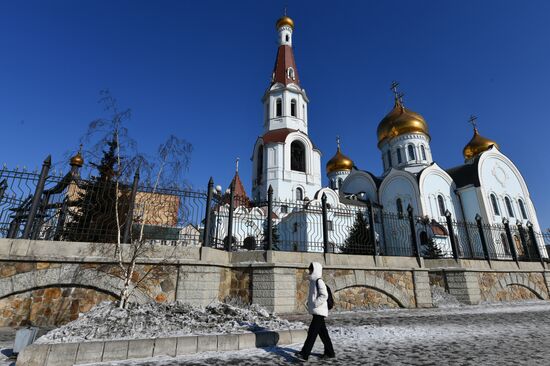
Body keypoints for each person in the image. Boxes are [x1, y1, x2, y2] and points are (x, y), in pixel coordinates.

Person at [296, 262, 335, 361]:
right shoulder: (313, 281)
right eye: (309, 269)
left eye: (311, 269)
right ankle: (330, 353)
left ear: (316, 270)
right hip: (317, 311)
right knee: (323, 333)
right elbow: (314, 295)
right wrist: (310, 303)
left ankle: (305, 354)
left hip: (319, 311)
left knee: (312, 333)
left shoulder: (319, 281)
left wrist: (315, 303)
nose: (309, 271)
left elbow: (324, 295)